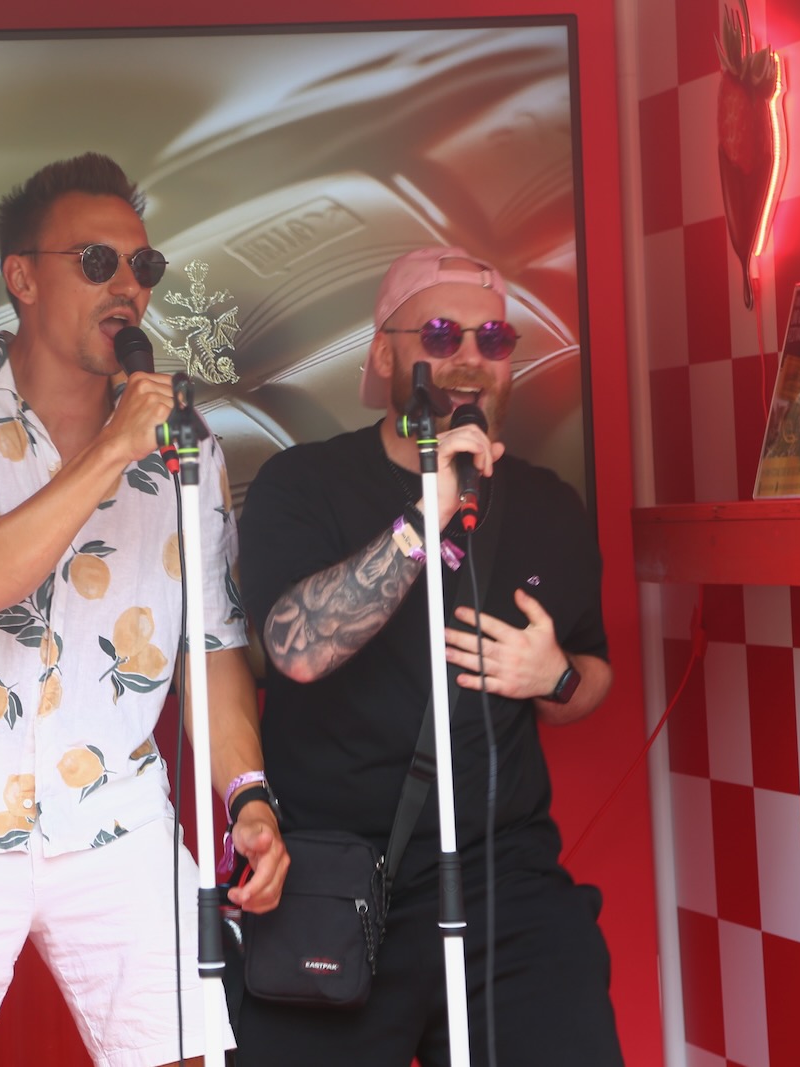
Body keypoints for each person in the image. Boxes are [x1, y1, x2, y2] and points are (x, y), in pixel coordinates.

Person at [0, 152, 286, 1067]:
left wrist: (247, 796)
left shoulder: (187, 447)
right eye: (97, 262)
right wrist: (114, 449)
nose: (128, 285)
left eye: (143, 265)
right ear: (22, 277)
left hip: (114, 815)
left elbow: (211, 645)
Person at [234, 247, 624, 1065]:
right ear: (385, 355)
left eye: (494, 338)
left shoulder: (550, 504)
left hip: (501, 873)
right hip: (335, 874)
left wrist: (552, 676)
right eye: (441, 335)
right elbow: (294, 650)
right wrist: (426, 511)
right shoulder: (301, 483)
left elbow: (593, 674)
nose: (471, 357)